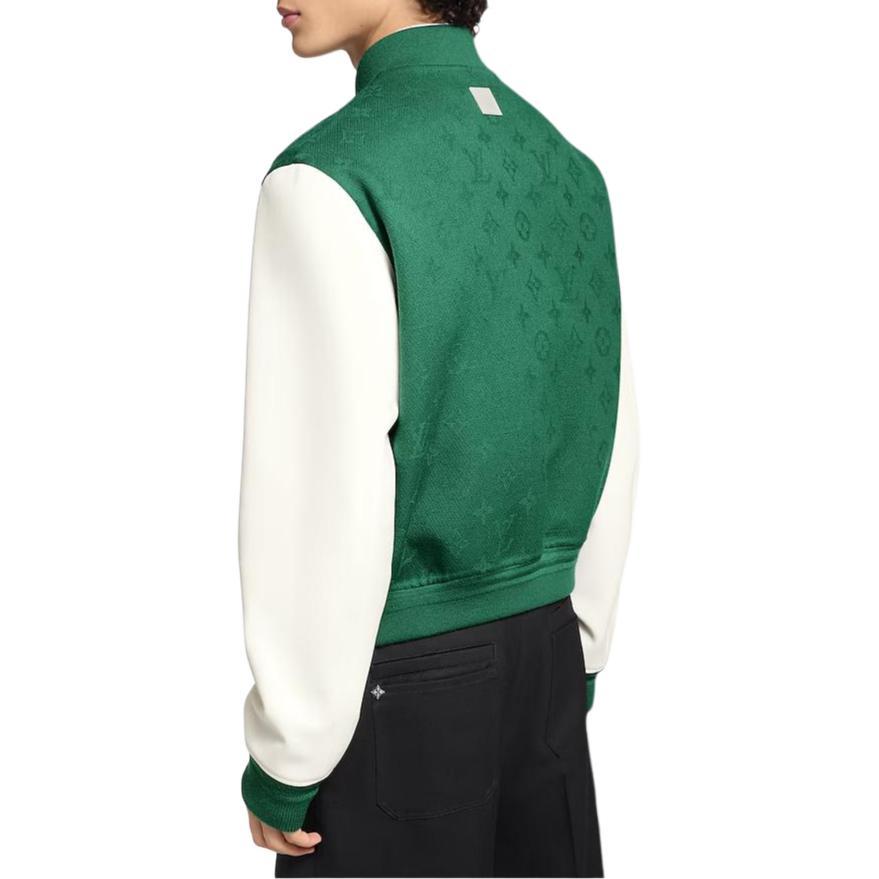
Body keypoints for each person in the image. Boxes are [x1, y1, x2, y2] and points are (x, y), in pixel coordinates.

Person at [237, 1, 639, 875]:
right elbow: (606, 420)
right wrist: (581, 645)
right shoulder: (566, 164)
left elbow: (323, 489)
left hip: (401, 686)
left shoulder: (327, 176)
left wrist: (289, 751)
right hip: (547, 658)